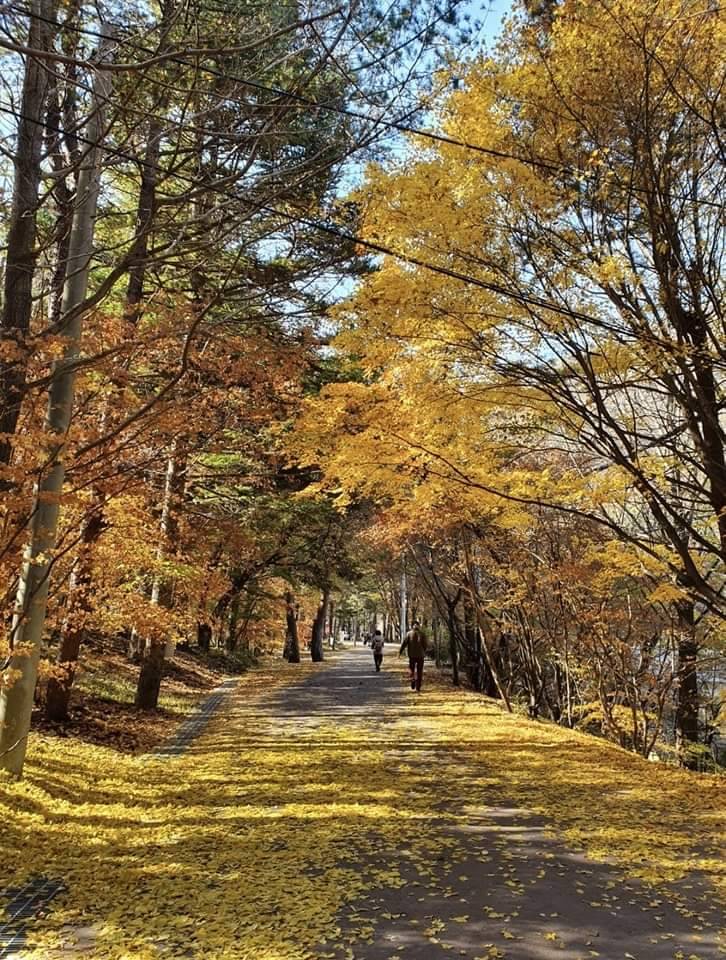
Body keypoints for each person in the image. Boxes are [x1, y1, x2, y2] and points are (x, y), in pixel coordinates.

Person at [399, 620, 428, 692]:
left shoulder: (409, 634)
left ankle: (413, 679)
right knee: (419, 671)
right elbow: (425, 645)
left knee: (411, 669)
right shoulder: (422, 634)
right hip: (420, 655)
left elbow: (404, 643)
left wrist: (400, 652)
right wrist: (424, 651)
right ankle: (418, 686)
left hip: (412, 655)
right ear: (418, 626)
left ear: (412, 626)